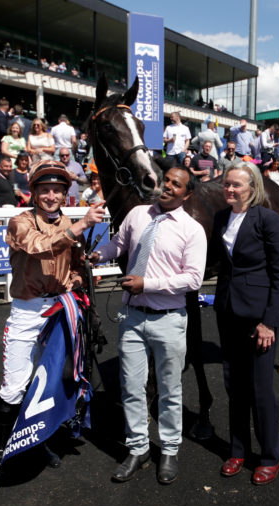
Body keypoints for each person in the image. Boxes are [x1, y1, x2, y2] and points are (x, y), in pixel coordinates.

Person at [0, 160, 106, 495]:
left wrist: (82, 271)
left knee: (49, 384)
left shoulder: (68, 222)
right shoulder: (20, 221)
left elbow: (75, 269)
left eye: (58, 190)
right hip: (26, 313)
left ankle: (37, 441)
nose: (52, 196)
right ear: (33, 192)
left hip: (60, 312)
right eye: (45, 189)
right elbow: (40, 247)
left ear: (65, 193)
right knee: (14, 387)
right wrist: (79, 226)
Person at [89, 166, 207, 485]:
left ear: (187, 193)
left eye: (176, 184)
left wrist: (148, 284)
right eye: (166, 179)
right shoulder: (138, 214)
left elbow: (193, 278)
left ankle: (169, 449)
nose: (167, 186)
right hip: (132, 317)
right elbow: (118, 245)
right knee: (131, 387)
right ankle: (138, 448)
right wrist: (98, 255)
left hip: (168, 320)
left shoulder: (192, 230)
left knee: (169, 389)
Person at [206, 162, 279, 486]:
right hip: (227, 311)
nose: (229, 189)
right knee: (234, 386)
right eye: (226, 184)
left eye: (236, 185)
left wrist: (270, 322)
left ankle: (270, 456)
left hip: (259, 318)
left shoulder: (268, 219)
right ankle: (238, 450)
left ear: (252, 188)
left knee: (260, 389)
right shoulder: (220, 217)